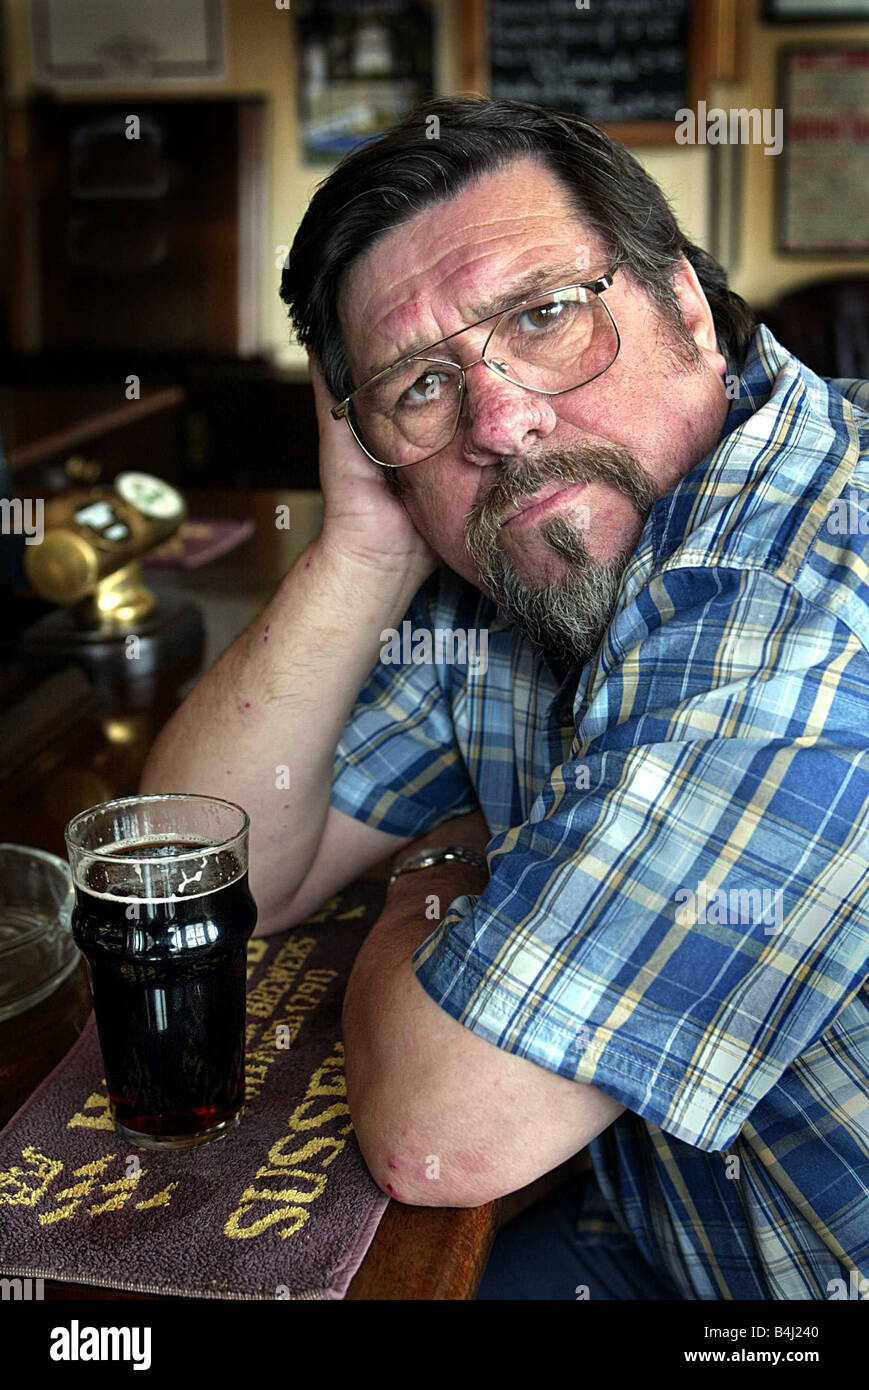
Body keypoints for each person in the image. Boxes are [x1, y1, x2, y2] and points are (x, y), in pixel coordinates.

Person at [140, 98, 869, 1301]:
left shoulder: (800, 598)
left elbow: (443, 1134)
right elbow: (197, 878)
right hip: (653, 1215)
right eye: (419, 385)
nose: (498, 424)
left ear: (682, 301)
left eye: (540, 316)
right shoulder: (524, 552)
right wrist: (361, 553)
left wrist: (435, 864)